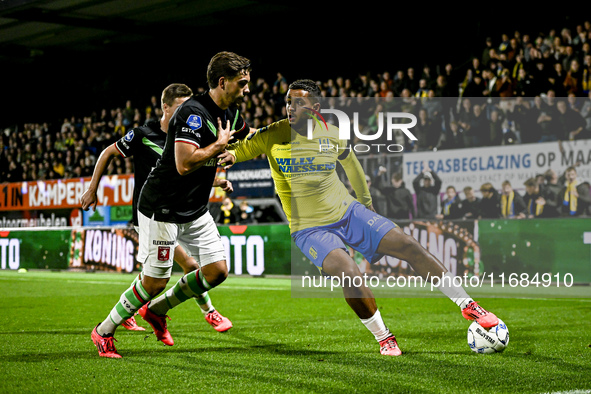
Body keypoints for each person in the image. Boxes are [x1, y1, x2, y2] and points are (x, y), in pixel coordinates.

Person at [219, 79, 499, 357]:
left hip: (348, 211)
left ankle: (468, 304)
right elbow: (239, 151)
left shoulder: (331, 133)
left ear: (315, 107)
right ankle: (384, 337)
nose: (290, 107)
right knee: (350, 274)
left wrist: (366, 206)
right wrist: (225, 158)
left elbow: (353, 169)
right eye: (288, 102)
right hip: (309, 229)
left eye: (298, 102)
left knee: (409, 246)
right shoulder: (273, 133)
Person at [91, 51, 252, 358]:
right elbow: (183, 163)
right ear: (223, 82)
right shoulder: (193, 113)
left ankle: (157, 311)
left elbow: (250, 138)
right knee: (155, 280)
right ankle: (104, 331)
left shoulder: (231, 114)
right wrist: (217, 147)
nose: (246, 90)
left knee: (216, 271)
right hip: (162, 207)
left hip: (194, 208)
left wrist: (284, 134)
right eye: (241, 83)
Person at [82, 83, 233, 335]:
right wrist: (92, 188)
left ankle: (133, 313)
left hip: (177, 211)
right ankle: (208, 312)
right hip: (152, 213)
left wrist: (216, 181)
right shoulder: (144, 134)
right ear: (165, 107)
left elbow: (184, 172)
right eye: (181, 107)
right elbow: (109, 152)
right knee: (180, 271)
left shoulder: (187, 136)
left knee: (157, 276)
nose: (188, 112)